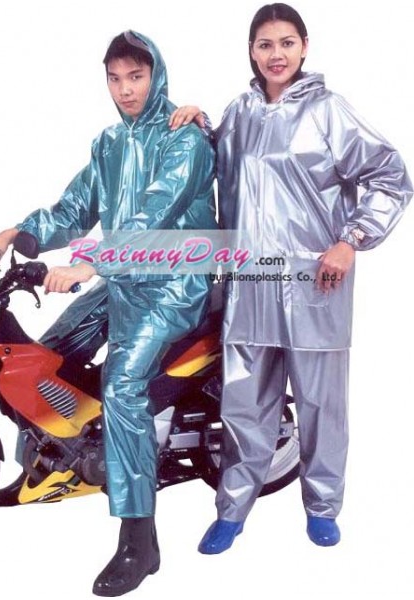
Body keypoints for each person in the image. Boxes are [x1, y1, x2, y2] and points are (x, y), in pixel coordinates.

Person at [170, 2, 412, 552]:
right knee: (243, 405)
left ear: (305, 47)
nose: (275, 54)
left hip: (314, 283)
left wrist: (351, 241)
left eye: (286, 43)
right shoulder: (240, 113)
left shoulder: (329, 111)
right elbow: (214, 164)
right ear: (251, 52)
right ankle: (232, 511)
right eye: (265, 44)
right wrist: (197, 122)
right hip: (250, 284)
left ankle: (322, 506)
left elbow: (391, 176)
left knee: (321, 405)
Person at [0, 31, 216, 595]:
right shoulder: (109, 143)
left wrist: (89, 265)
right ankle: (50, 463)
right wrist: (18, 233)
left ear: (156, 76)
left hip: (173, 285)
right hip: (121, 281)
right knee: (42, 360)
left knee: (123, 388)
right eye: (115, 79)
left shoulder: (186, 140)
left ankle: (139, 541)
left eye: (136, 77)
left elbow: (151, 216)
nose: (125, 89)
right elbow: (74, 208)